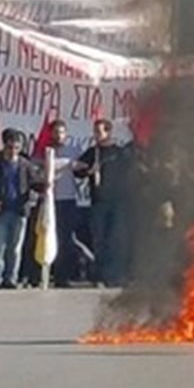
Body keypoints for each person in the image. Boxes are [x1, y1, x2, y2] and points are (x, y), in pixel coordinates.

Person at [76, 119, 131, 287]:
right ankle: (99, 276)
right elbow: (78, 171)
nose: (97, 135)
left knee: (116, 240)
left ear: (108, 132)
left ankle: (115, 275)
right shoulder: (93, 152)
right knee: (98, 240)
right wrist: (87, 171)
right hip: (99, 203)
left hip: (117, 203)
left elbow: (131, 172)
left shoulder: (120, 153)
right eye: (95, 131)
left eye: (99, 132)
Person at [0, 129, 30, 289]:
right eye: (10, 147)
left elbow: (34, 182)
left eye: (17, 148)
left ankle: (11, 278)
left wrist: (47, 184)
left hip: (19, 210)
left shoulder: (24, 164)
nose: (13, 151)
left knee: (15, 247)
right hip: (0, 210)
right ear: (5, 146)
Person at [49, 120, 80, 288]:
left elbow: (82, 169)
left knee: (66, 239)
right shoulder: (44, 150)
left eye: (61, 132)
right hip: (49, 201)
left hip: (68, 199)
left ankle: (63, 276)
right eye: (55, 132)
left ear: (66, 134)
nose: (58, 135)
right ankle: (44, 274)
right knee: (48, 237)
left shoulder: (74, 151)